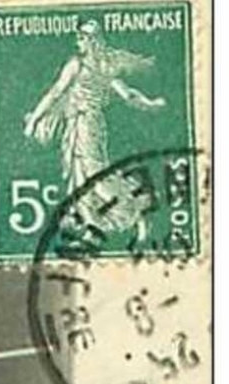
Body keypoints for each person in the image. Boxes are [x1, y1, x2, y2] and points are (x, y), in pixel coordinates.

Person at [24, 20, 165, 232]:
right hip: (92, 123)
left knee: (92, 173)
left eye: (81, 37)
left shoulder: (77, 64)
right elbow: (128, 94)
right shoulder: (106, 66)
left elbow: (55, 93)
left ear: (91, 41)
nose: (77, 41)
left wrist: (34, 119)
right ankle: (88, 219)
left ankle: (132, 208)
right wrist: (150, 104)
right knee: (81, 171)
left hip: (83, 123)